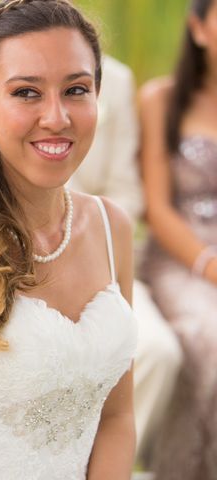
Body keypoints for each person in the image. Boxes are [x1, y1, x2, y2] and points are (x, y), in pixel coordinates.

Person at [0, 47, 181, 466]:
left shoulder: (112, 229)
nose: (56, 117)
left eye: (75, 89)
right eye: (26, 93)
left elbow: (117, 418)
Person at [139, 0, 217, 477]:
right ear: (199, 29)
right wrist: (209, 263)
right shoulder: (161, 99)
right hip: (180, 256)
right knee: (208, 336)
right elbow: (157, 208)